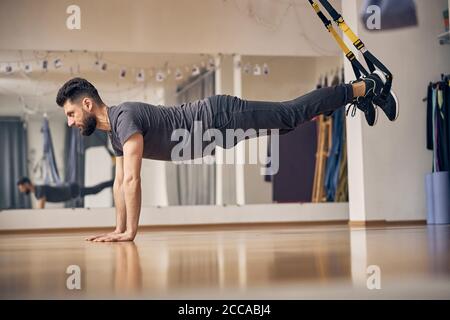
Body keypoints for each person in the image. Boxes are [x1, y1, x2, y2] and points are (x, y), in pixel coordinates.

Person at [55, 73, 396, 242]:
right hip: (217, 132)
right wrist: (118, 227)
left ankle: (363, 87)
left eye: (70, 114)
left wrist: (130, 232)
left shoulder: (123, 117)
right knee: (288, 124)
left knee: (290, 116)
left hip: (219, 118)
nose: (71, 123)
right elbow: (118, 185)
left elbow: (132, 179)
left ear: (87, 105)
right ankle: (355, 95)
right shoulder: (114, 134)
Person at [17, 177, 114, 209]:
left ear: (26, 184)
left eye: (21, 187)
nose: (21, 190)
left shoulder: (38, 190)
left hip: (71, 190)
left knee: (94, 190)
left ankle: (113, 182)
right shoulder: (37, 191)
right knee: (94, 190)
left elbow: (40, 208)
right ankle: (112, 182)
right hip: (71, 190)